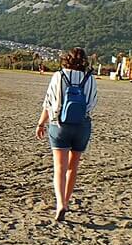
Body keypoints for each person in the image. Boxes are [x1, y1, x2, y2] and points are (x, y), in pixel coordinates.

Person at [35, 47, 98, 222]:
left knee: (59, 168)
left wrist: (41, 123)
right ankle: (67, 201)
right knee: (73, 167)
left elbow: (48, 103)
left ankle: (60, 203)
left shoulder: (58, 76)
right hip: (82, 125)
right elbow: (92, 103)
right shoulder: (90, 79)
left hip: (59, 124)